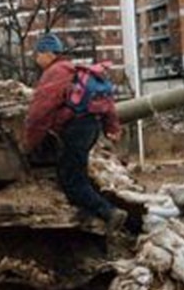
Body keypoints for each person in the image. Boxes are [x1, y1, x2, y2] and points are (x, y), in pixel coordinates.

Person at [22, 33, 127, 233]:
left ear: (46, 53)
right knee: (76, 173)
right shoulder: (74, 70)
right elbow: (107, 103)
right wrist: (111, 127)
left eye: (37, 54)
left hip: (75, 129)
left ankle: (109, 213)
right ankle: (92, 210)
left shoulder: (55, 72)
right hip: (90, 127)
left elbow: (39, 112)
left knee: (71, 180)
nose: (36, 59)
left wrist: (28, 144)